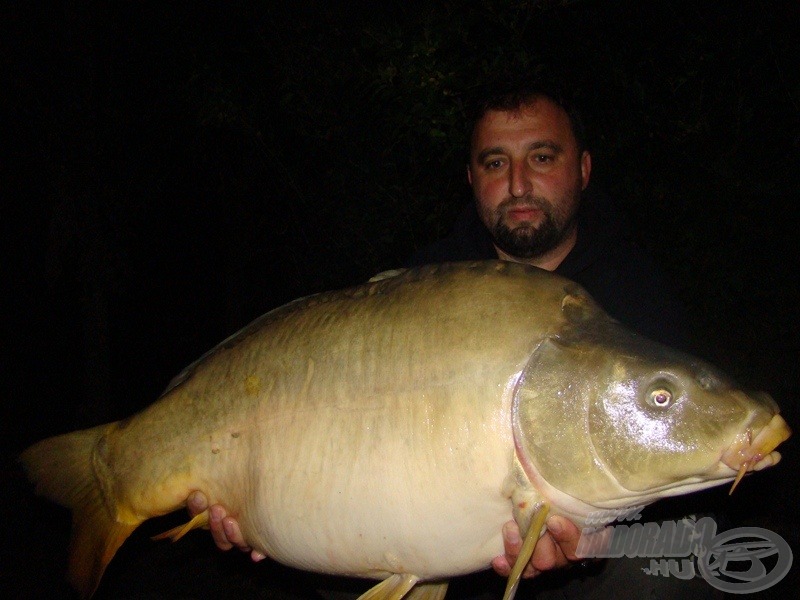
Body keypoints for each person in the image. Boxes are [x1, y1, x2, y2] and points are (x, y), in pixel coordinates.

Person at [190, 82, 718, 599]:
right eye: (494, 163)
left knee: (668, 571)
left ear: (582, 170)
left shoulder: (635, 296)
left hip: (583, 570)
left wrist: (598, 537)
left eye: (541, 157)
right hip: (440, 552)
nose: (517, 184)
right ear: (471, 178)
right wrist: (260, 508)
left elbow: (669, 480)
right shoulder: (426, 280)